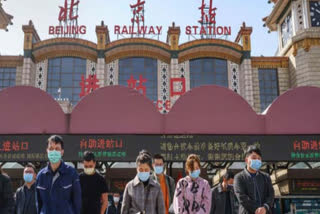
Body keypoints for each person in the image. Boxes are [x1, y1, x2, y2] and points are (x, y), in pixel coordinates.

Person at [36, 135, 82, 214]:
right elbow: (38, 203)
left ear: (62, 152)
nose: (53, 151)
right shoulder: (41, 176)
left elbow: (77, 202)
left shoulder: (71, 173)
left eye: (57, 149)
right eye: (51, 149)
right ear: (47, 151)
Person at [234, 146, 274, 214]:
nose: (257, 160)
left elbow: (271, 195)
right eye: (254, 158)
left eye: (259, 158)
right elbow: (242, 197)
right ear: (246, 160)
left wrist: (265, 207)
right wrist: (256, 209)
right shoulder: (239, 177)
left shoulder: (266, 177)